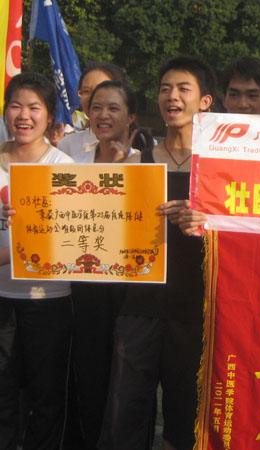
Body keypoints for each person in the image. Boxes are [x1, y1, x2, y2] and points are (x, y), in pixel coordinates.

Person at [98, 55, 216, 450]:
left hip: (195, 310)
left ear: (205, 102)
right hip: (138, 307)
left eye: (183, 89)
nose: (172, 97)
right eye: (165, 89)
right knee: (125, 414)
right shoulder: (136, 163)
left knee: (185, 421)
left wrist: (207, 220)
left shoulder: (218, 169)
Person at [0, 72, 74, 450]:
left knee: (46, 392)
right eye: (15, 106)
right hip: (2, 297)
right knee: (2, 391)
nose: (23, 116)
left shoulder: (64, 166)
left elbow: (75, 236)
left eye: (34, 107)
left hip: (49, 299)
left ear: (50, 115)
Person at [68, 79, 140, 450]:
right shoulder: (72, 158)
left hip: (127, 286)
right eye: (96, 107)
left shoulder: (145, 162)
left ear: (131, 117)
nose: (103, 115)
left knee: (124, 374)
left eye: (113, 108)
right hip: (82, 282)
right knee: (89, 369)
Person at [58, 62, 126, 158]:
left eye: (101, 90)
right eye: (86, 91)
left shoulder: (137, 150)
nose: (93, 97)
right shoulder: (67, 146)